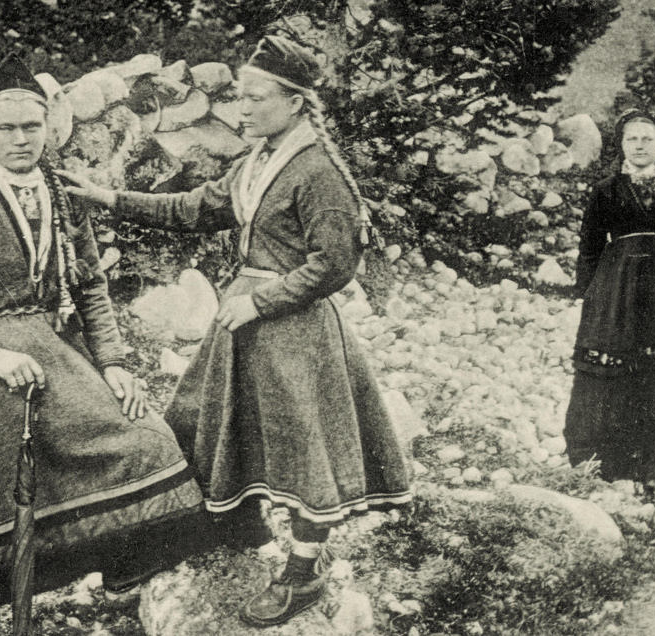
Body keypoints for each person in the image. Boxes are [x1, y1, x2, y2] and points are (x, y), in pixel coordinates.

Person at [59, 35, 413, 627]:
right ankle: (228, 527)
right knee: (203, 424)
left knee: (303, 450)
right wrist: (108, 198)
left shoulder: (319, 171)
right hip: (242, 322)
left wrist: (262, 301)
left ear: (297, 103)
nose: (242, 108)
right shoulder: (259, 160)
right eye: (240, 97)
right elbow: (196, 208)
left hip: (294, 330)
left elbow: (335, 263)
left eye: (257, 98)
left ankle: (303, 572)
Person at [0, 55, 217, 635]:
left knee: (144, 440)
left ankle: (121, 569)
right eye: (4, 128)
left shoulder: (62, 194)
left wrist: (114, 363)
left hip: (58, 349)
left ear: (49, 128)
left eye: (31, 126)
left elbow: (90, 286)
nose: (19, 139)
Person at [563, 108, 655, 482]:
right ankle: (606, 460)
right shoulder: (605, 190)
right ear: (621, 144)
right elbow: (590, 246)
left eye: (646, 139)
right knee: (615, 364)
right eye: (631, 139)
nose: (639, 145)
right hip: (618, 288)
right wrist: (590, 296)